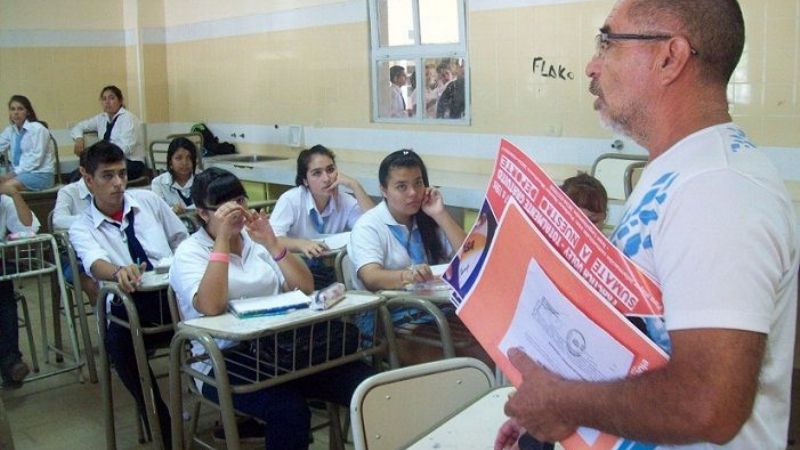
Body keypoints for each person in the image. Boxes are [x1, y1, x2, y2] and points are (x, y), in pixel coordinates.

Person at [495, 1, 798, 449]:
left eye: (608, 43)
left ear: (669, 58)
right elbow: (644, 346)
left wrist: (564, 403)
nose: (591, 65)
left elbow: (706, 404)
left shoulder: (718, 188)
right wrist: (552, 407)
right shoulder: (677, 172)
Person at [170, 167, 375, 449]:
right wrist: (222, 240)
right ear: (204, 214)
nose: (237, 214)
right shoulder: (190, 252)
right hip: (223, 358)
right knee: (288, 411)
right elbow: (211, 305)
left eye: (240, 202)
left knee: (368, 385)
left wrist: (271, 242)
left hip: (282, 348)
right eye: (225, 209)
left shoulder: (256, 242)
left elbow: (304, 287)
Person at [69, 141, 187, 448]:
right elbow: (94, 262)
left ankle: (239, 409)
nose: (119, 183)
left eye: (121, 173)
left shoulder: (148, 201)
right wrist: (118, 271)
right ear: (88, 179)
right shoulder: (82, 226)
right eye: (108, 176)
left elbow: (182, 240)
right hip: (131, 307)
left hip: (173, 298)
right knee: (119, 339)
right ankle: (161, 424)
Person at [348, 149, 469, 364]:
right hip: (389, 317)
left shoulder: (426, 217)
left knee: (485, 354)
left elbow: (470, 255)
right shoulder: (369, 226)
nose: (413, 193)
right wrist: (408, 275)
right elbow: (371, 276)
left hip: (435, 309)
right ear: (383, 190)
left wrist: (440, 214)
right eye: (401, 187)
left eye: (418, 183)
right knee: (451, 366)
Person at [269, 144, 374, 289]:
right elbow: (272, 239)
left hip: (330, 269)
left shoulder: (344, 200)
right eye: (317, 173)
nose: (326, 178)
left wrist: (354, 185)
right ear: (305, 180)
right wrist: (301, 244)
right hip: (297, 270)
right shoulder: (291, 200)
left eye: (330, 170)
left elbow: (374, 226)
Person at [0, 183, 39, 388]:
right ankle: (10, 362)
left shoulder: (3, 202)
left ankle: (11, 363)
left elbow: (29, 229)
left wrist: (14, 194)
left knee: (3, 290)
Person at [70, 86, 146, 180]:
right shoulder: (102, 118)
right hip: (107, 161)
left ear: (120, 100)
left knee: (90, 175)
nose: (107, 102)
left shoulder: (128, 119)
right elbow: (78, 126)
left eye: (112, 98)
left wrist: (100, 158)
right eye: (104, 99)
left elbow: (124, 149)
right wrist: (79, 138)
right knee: (78, 175)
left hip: (129, 163)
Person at [52, 152, 98, 304]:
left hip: (107, 252)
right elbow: (58, 221)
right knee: (94, 285)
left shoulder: (110, 189)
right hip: (74, 259)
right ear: (83, 171)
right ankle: (104, 326)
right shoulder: (69, 192)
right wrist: (92, 218)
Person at [0, 95, 56, 192]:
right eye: (12, 109)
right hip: (20, 174)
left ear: (28, 112)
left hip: (41, 174)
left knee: (5, 187)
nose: (16, 112)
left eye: (20, 109)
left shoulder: (38, 129)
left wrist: (12, 174)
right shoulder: (10, 130)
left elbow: (36, 159)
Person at [150, 137, 198, 215]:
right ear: (170, 163)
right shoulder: (158, 183)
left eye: (189, 157)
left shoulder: (203, 180)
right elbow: (158, 211)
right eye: (179, 158)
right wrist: (172, 210)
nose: (184, 163)